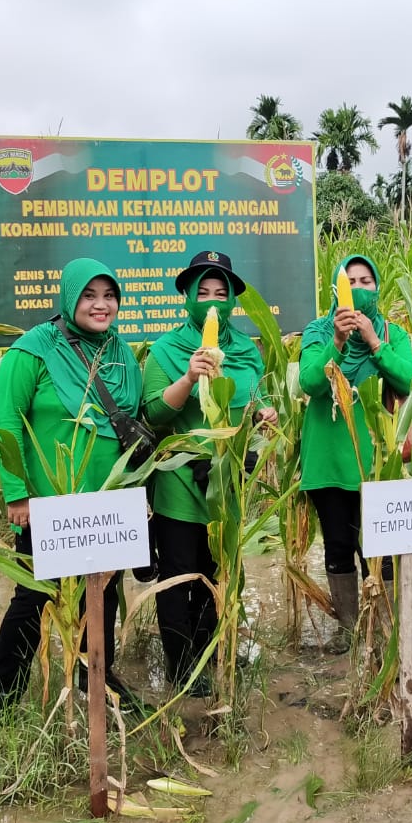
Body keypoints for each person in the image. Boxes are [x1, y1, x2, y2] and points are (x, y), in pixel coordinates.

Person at [0, 258, 144, 734]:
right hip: (50, 505)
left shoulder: (121, 354)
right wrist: (18, 494)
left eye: (109, 295)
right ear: (70, 298)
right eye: (89, 295)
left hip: (108, 501)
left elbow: (134, 420)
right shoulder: (31, 351)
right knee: (33, 601)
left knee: (104, 594)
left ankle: (96, 681)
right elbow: (4, 422)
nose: (101, 304)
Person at [142, 251, 276, 694]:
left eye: (222, 293)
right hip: (180, 482)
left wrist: (264, 414)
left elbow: (251, 404)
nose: (213, 302)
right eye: (203, 292)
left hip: (228, 482)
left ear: (235, 299)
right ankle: (183, 670)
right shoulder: (166, 349)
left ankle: (216, 652)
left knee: (219, 573)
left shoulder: (246, 351)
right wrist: (187, 378)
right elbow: (155, 414)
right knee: (180, 577)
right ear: (186, 296)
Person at [300, 254, 412, 653]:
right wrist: (336, 341)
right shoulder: (318, 331)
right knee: (337, 546)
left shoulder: (392, 332)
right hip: (328, 458)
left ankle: (383, 630)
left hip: (377, 463)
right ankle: (349, 630)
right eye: (348, 281)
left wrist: (374, 343)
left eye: (365, 280)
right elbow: (310, 383)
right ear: (337, 291)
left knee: (379, 549)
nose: (357, 287)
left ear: (376, 286)